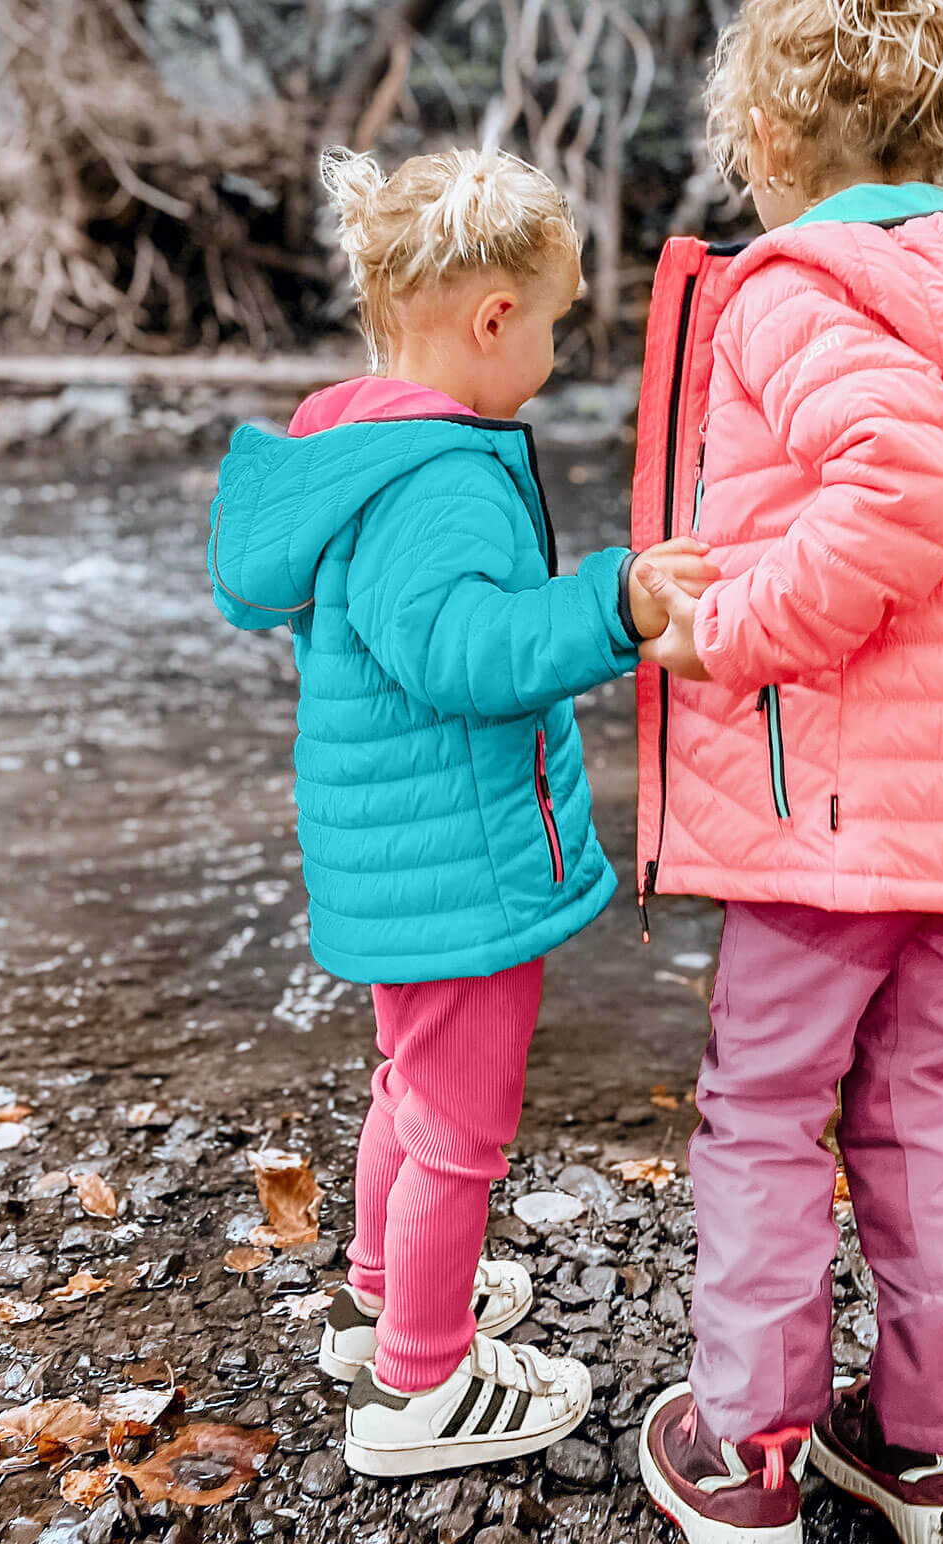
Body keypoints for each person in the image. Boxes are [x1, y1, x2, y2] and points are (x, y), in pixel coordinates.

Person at [630, 1, 943, 1540]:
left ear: (765, 141)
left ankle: (749, 1450)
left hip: (830, 814)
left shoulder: (797, 291)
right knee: (915, 1102)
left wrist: (732, 634)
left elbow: (894, 490)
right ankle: (937, 1448)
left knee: (767, 1108)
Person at [207, 145, 715, 1477]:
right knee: (460, 1130)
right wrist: (615, 603)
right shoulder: (440, 479)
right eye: (549, 327)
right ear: (494, 320)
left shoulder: (360, 442)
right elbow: (460, 652)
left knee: (410, 1091)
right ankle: (421, 1386)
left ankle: (387, 1290)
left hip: (396, 859)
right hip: (463, 868)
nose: (550, 354)